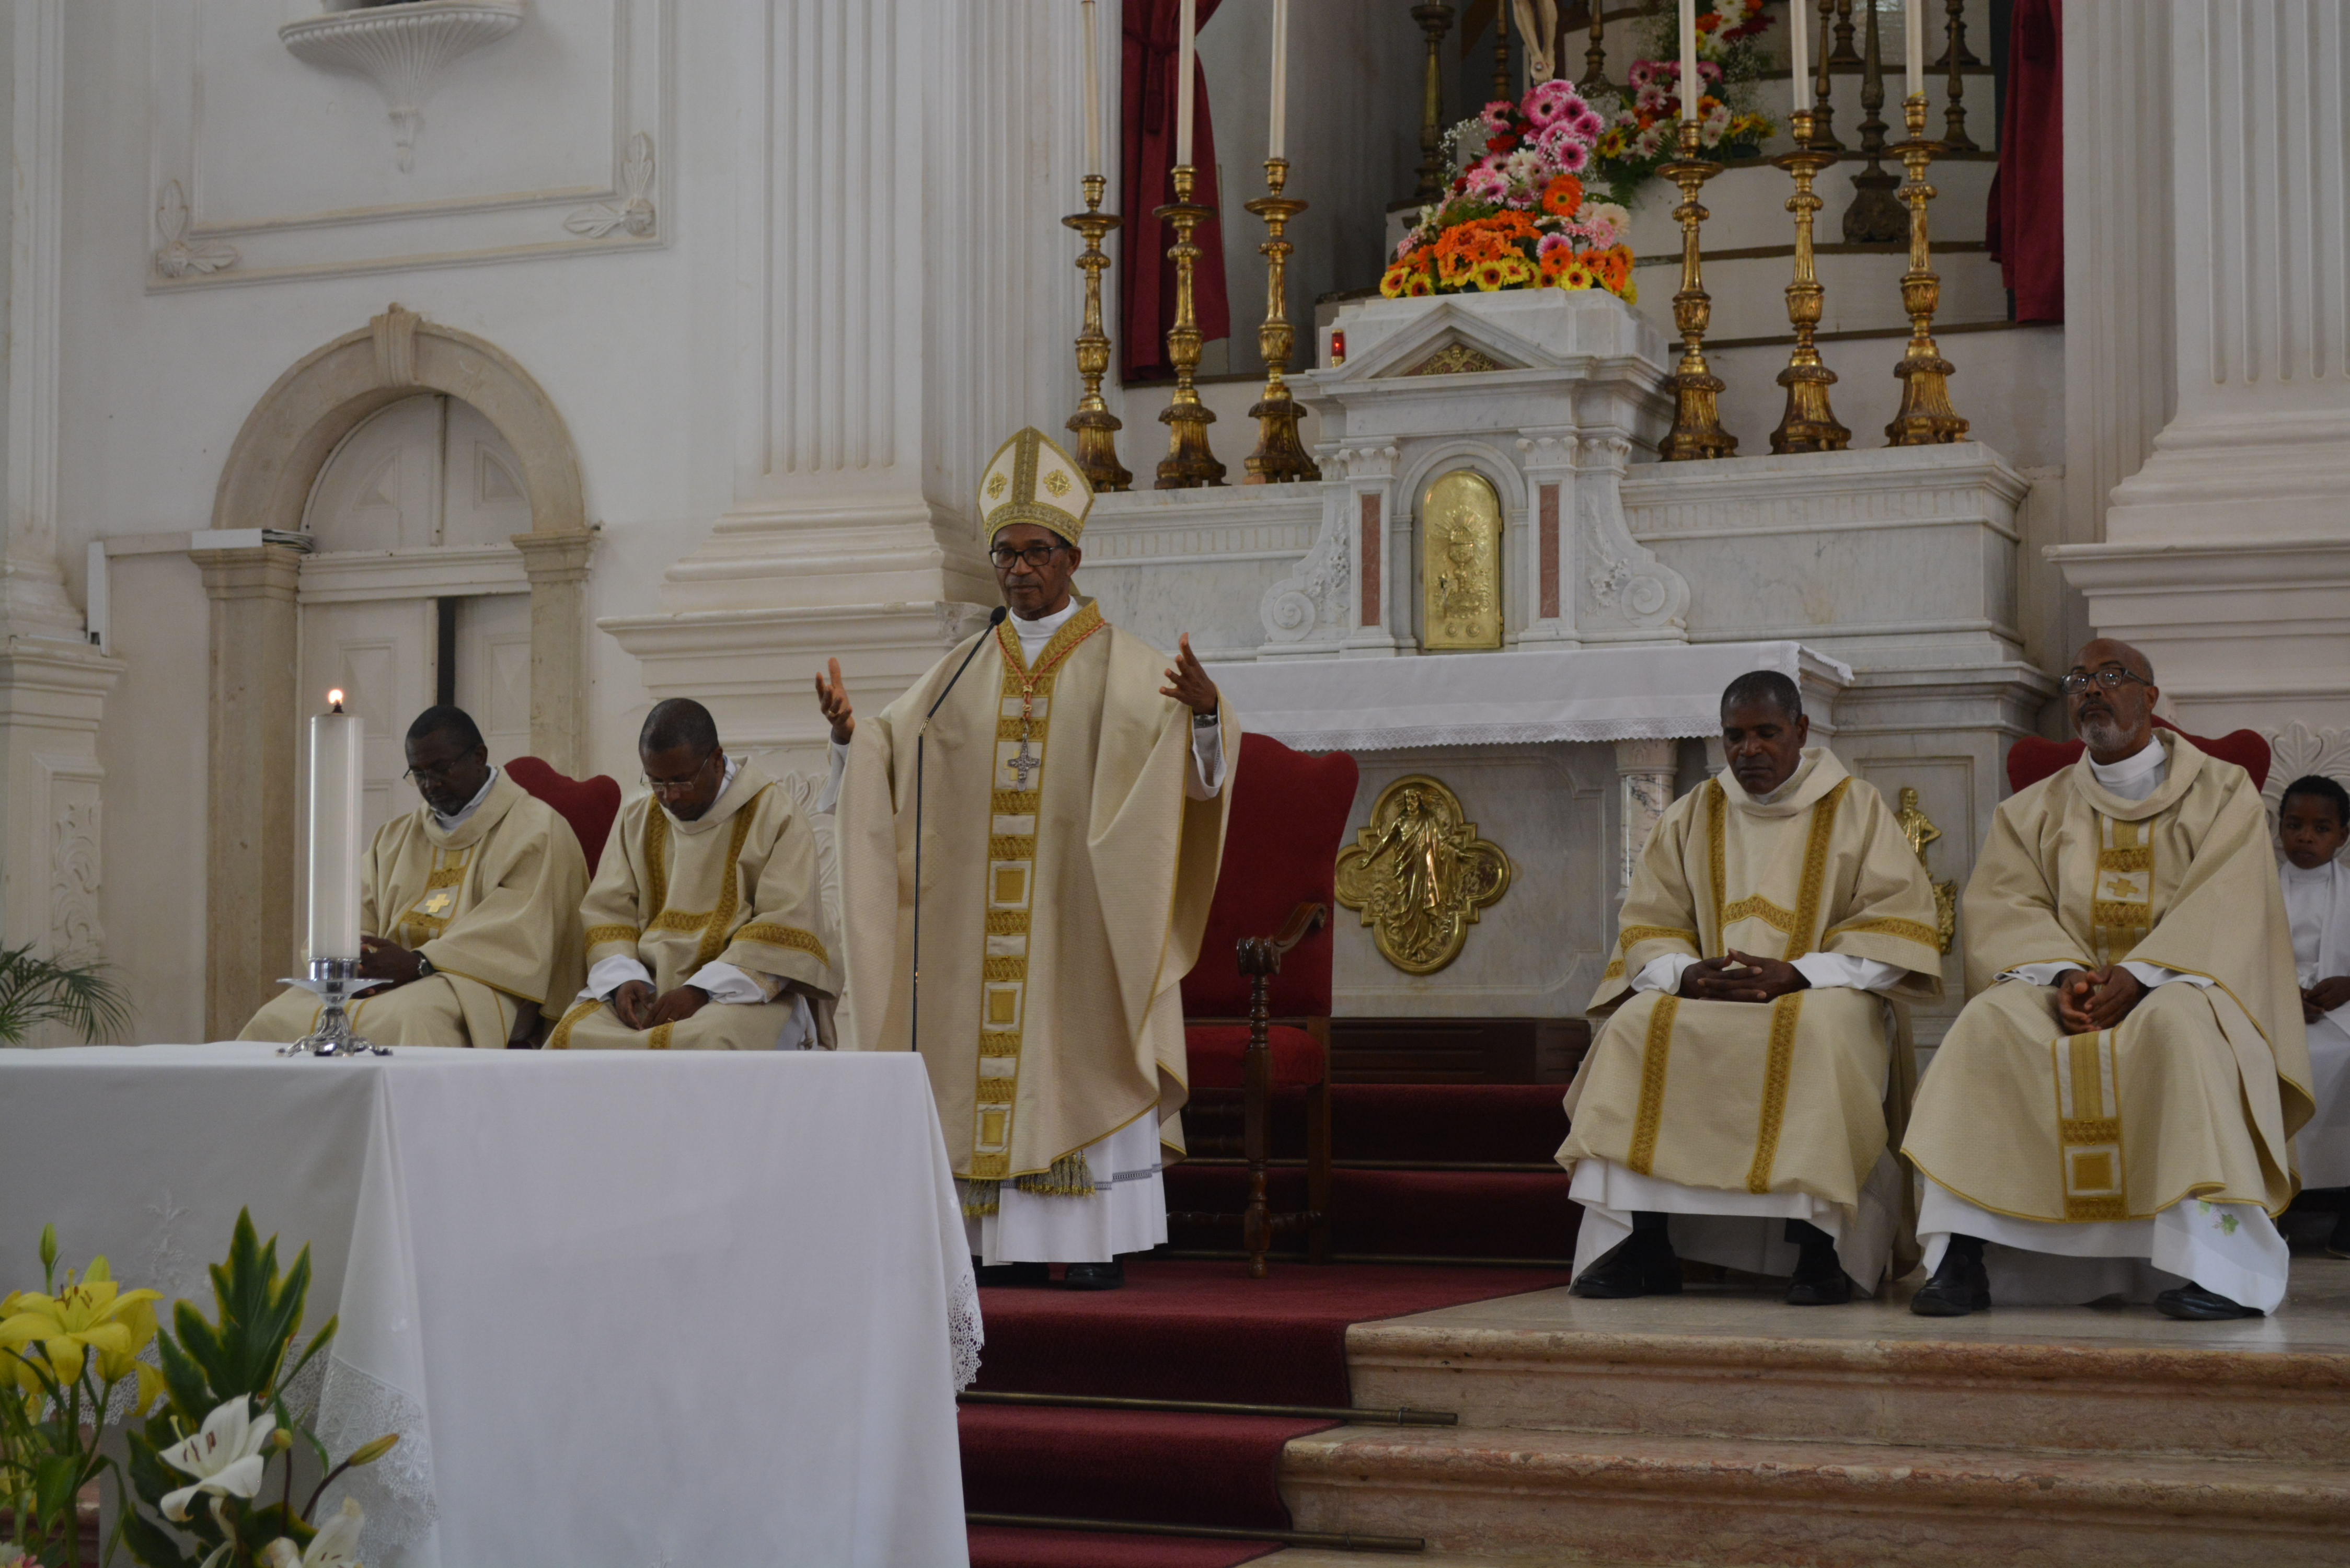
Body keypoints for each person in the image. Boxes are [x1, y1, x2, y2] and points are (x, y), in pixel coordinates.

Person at [816, 427, 1236, 1290]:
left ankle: (1086, 1239)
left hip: (1078, 920)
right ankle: (988, 1240)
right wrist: (849, 740)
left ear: (1073, 556)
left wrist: (1203, 715)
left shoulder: (1134, 669)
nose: (1016, 568)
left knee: (1069, 1044)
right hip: (977, 925)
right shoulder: (958, 671)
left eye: (1035, 551)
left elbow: (1195, 784)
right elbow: (888, 753)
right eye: (1004, 553)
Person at [1903, 640, 2314, 1320]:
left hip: (2184, 983)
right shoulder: (2033, 810)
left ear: (2151, 698)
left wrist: (2143, 974)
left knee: (2178, 1027)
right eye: (2080, 680)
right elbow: (2005, 905)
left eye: (2112, 677)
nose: (2093, 690)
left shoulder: (2222, 791)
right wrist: (2066, 975)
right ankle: (1961, 1258)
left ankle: (2215, 1267)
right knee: (1986, 1025)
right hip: (2060, 987)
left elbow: (2229, 903)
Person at [1557, 671, 1945, 1304]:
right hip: (1710, 994)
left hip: (1822, 993)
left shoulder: (1855, 808)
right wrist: (1686, 973)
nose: (1749, 751)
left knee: (1815, 1031)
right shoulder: (1693, 813)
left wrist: (1801, 973)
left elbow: (1894, 923)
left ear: (1800, 730)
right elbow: (1648, 922)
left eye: (1766, 733)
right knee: (1633, 1026)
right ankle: (1643, 1244)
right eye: (1734, 737)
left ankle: (1821, 1250)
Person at [240, 706, 588, 1048]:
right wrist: (359, 957)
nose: (430, 784)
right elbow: (354, 911)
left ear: (479, 756)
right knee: (275, 1018)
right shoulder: (394, 838)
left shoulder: (537, 830)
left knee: (413, 1018)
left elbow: (520, 932)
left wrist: (421, 962)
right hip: (387, 978)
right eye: (418, 774)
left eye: (441, 769)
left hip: (483, 982)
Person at [546, 699, 837, 1051]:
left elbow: (786, 924)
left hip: (741, 991)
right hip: (651, 986)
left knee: (710, 1040)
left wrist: (702, 989)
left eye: (681, 782)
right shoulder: (638, 818)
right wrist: (625, 980)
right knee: (573, 1035)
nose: (668, 796)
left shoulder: (774, 816)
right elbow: (608, 912)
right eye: (656, 782)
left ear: (716, 759)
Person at [2277, 773, 2350, 1258]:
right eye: (2294, 825)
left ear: (2344, 835)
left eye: (2321, 828)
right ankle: (2270, 1205)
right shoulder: (2253, 887)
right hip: (2273, 1008)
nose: (2306, 837)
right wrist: (2280, 993)